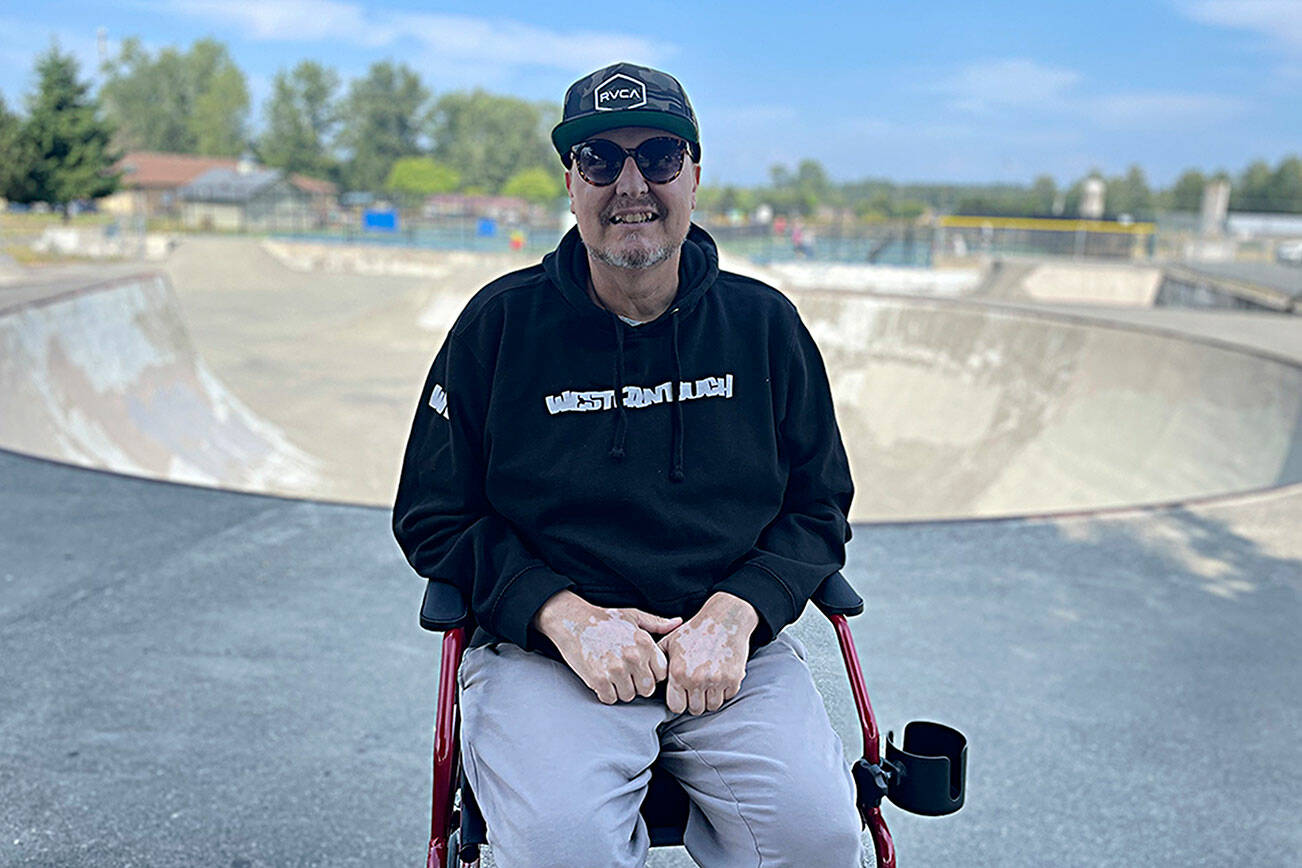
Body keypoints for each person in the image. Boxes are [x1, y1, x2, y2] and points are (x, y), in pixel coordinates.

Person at [393, 62, 862, 867]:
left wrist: (738, 612)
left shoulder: (764, 326)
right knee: (563, 850)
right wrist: (560, 614)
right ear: (571, 183)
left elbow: (819, 507)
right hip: (549, 656)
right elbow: (431, 515)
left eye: (660, 156)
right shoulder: (497, 327)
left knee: (818, 841)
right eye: (601, 159)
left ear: (695, 175)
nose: (632, 185)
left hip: (730, 651)